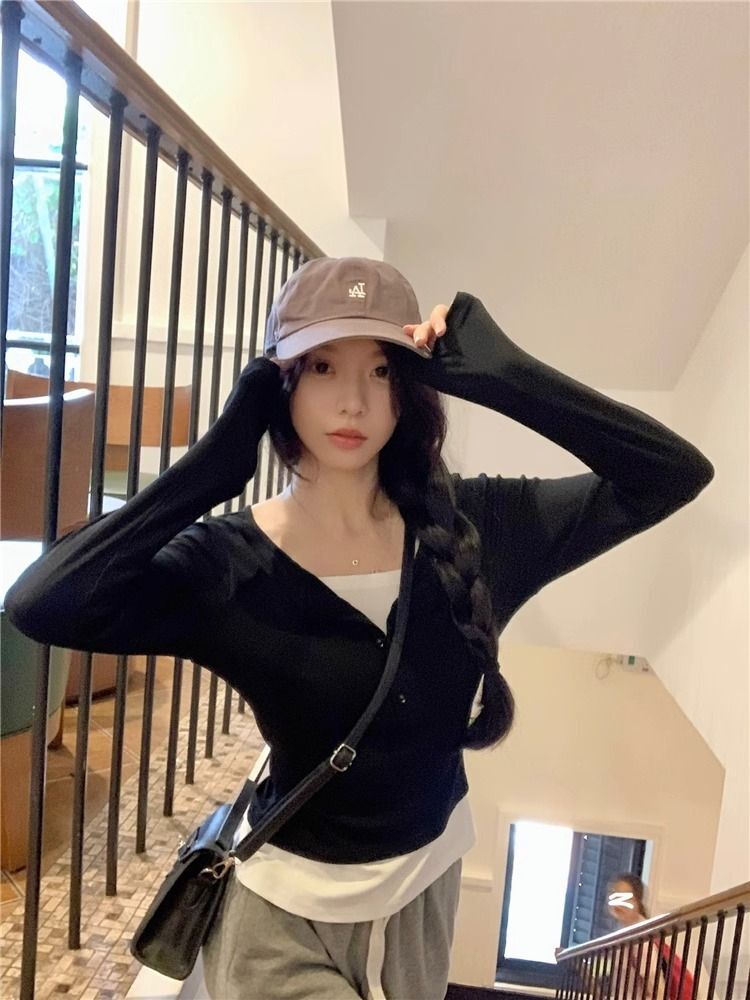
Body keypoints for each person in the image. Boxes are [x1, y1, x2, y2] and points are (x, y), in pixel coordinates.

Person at [5, 257, 714, 1000]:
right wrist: (212, 467)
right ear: (280, 384)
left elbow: (672, 474)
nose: (353, 401)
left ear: (409, 388)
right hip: (283, 919)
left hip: (424, 895)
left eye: (381, 370)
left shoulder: (477, 529)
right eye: (322, 367)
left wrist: (505, 375)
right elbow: (42, 603)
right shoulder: (227, 565)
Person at [607, 873, 696, 1000]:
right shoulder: (624, 933)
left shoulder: (641, 939)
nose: (617, 904)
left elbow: (655, 986)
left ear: (637, 902)